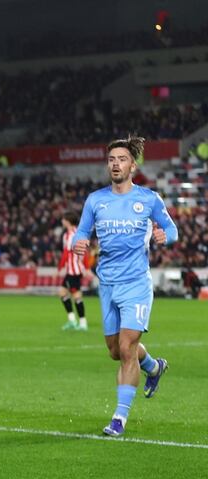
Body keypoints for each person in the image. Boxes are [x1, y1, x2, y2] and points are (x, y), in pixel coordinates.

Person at [72, 136, 178, 437]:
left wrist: (165, 237)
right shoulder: (95, 200)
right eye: (111, 160)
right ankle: (154, 367)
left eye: (121, 159)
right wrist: (76, 242)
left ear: (133, 165)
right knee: (114, 351)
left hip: (136, 284)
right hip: (107, 283)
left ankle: (119, 419)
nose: (115, 164)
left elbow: (172, 228)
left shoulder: (148, 199)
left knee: (127, 346)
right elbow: (79, 232)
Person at [56, 211, 88, 331]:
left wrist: (60, 267)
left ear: (67, 221)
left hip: (73, 271)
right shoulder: (76, 233)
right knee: (63, 293)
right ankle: (72, 321)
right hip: (73, 270)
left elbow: (66, 253)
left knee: (76, 296)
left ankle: (82, 323)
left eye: (63, 219)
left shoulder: (71, 235)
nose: (62, 221)